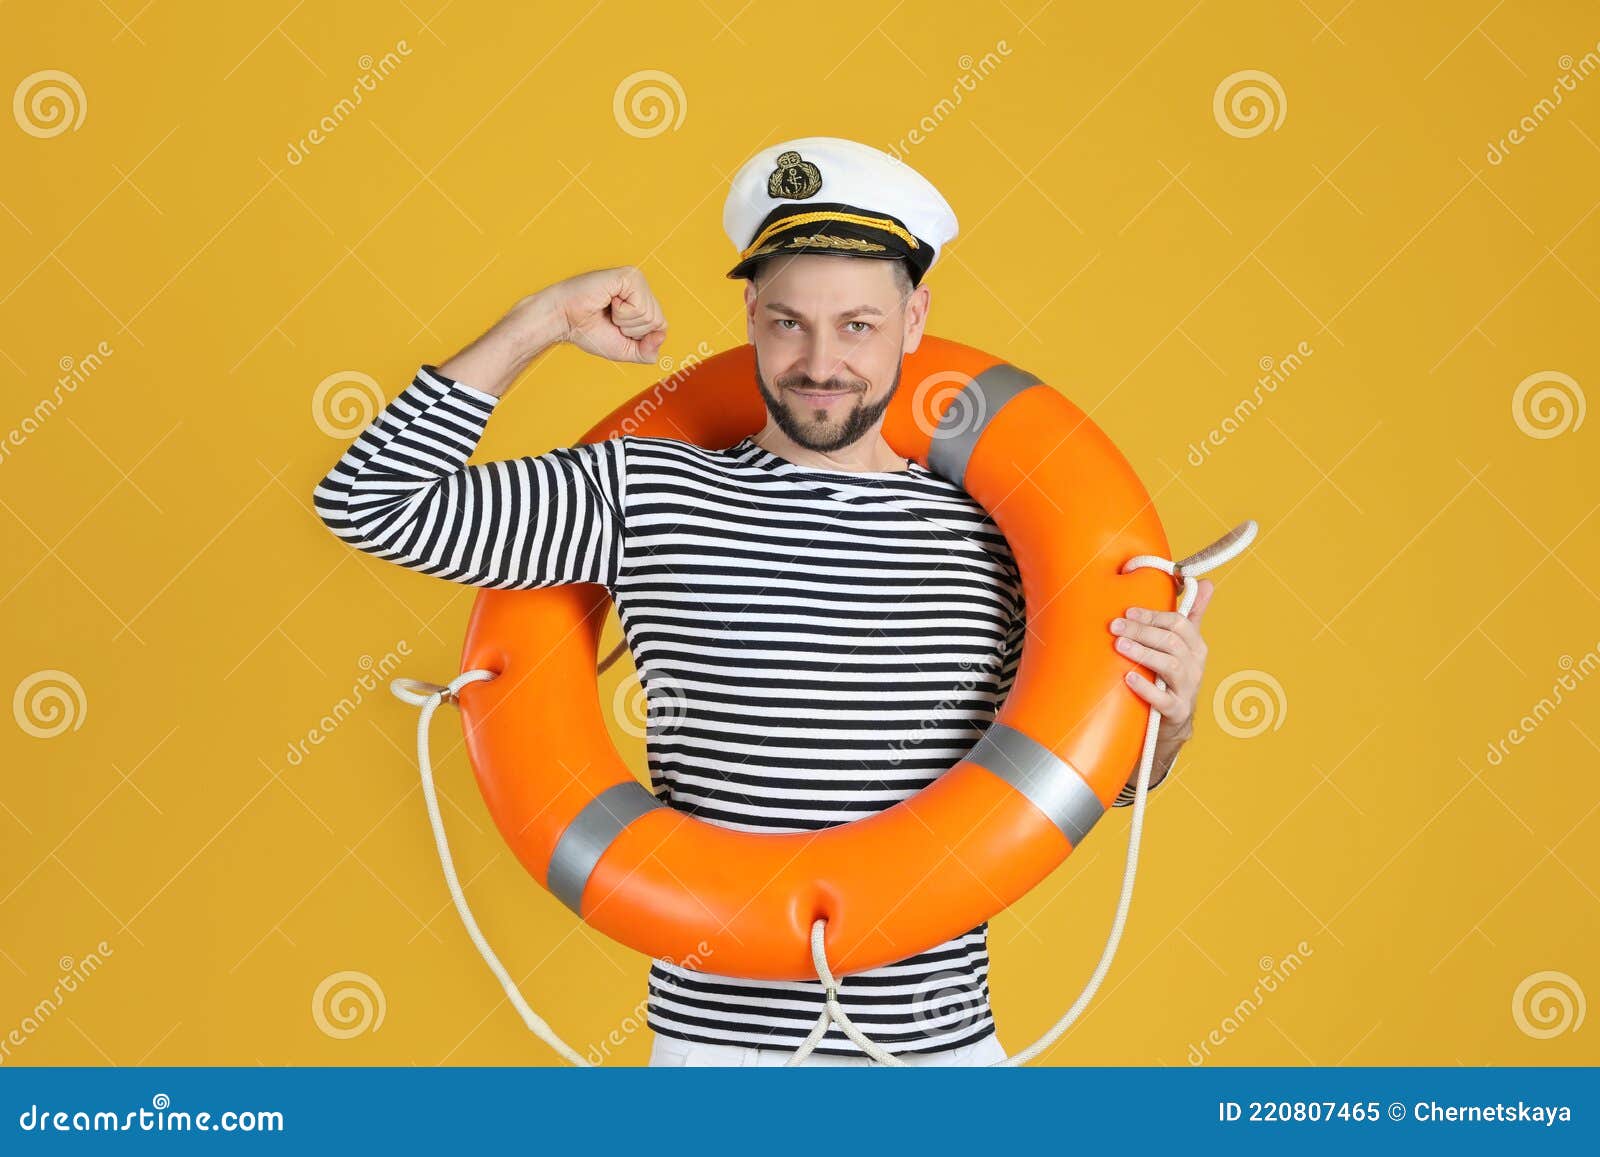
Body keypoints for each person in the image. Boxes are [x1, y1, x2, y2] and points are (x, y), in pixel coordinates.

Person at [313, 137, 1214, 1067]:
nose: (821, 364)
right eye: (789, 322)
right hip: (717, 1066)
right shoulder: (642, 493)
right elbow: (372, 502)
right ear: (749, 314)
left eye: (858, 325)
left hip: (942, 1062)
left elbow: (1104, 779)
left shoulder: (997, 533)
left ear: (916, 321)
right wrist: (537, 321)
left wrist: (1167, 720)